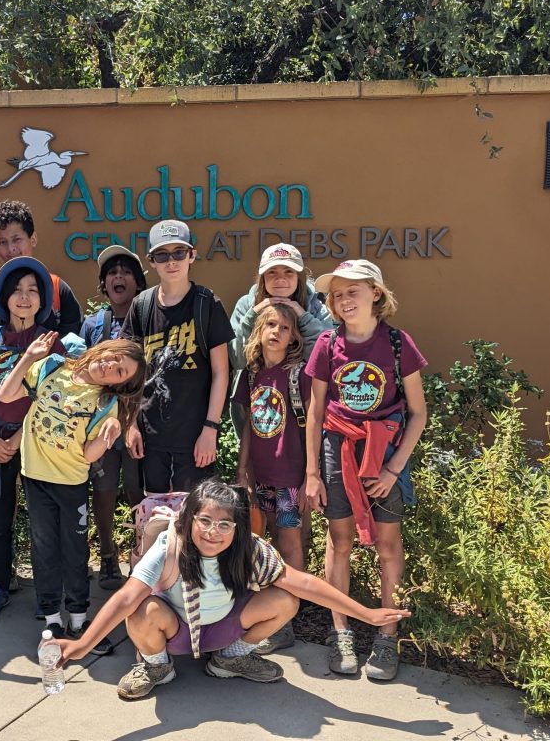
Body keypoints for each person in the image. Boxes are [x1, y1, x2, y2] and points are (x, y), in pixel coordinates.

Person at [55, 479, 411, 700]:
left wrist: (365, 614)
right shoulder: (170, 545)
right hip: (175, 632)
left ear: (236, 527)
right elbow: (125, 597)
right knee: (141, 609)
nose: (214, 532)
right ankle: (156, 666)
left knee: (286, 598)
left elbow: (302, 582)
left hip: (224, 627)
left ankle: (231, 658)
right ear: (189, 518)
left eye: (224, 524)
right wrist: (82, 645)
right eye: (205, 521)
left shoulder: (247, 547)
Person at [305, 259, 428, 681]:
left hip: (384, 455)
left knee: (388, 546)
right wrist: (311, 474)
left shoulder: (397, 344)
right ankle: (340, 634)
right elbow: (316, 410)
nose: (343, 300)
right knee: (339, 542)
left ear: (375, 293)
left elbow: (418, 414)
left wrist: (394, 469)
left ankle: (386, 635)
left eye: (351, 291)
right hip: (336, 452)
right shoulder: (326, 344)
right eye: (336, 294)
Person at [0, 332, 146, 651]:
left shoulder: (106, 401)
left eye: (120, 371)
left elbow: (88, 455)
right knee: (44, 548)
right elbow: (6, 396)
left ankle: (79, 620)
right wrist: (28, 358)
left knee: (76, 551)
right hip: (36, 477)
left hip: (72, 483)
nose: (111, 366)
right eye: (115, 357)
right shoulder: (51, 366)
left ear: (120, 385)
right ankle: (51, 620)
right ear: (106, 348)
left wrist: (110, 433)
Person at [0, 256, 67, 620]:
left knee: (45, 521)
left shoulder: (52, 344)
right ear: (4, 298)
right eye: (16, 291)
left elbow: (55, 400)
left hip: (38, 447)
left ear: (42, 299)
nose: (24, 298)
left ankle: (49, 593)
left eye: (32, 291)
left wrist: (21, 436)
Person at [121, 220, 234, 493]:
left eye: (178, 253)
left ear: (191, 255)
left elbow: (221, 371)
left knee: (192, 518)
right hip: (150, 439)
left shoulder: (207, 304)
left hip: (195, 437)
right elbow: (128, 372)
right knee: (153, 519)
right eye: (162, 255)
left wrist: (211, 429)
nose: (171, 262)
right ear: (152, 261)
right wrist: (131, 423)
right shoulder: (142, 306)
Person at [234, 303, 311, 654]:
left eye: (284, 327)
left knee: (290, 543)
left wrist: (313, 475)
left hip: (290, 478)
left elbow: (314, 424)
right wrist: (242, 469)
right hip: (260, 476)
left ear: (294, 335)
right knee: (257, 542)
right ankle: (261, 609)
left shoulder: (299, 374)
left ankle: (287, 620)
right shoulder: (250, 375)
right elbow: (249, 423)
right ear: (258, 331)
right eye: (270, 324)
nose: (276, 331)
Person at [79, 245, 148, 589]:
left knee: (139, 492)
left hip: (139, 426)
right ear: (104, 284)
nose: (118, 277)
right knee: (103, 491)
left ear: (138, 282)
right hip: (100, 427)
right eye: (112, 273)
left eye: (126, 272)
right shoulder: (94, 324)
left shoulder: (150, 316)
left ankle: (141, 557)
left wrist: (131, 420)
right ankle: (107, 556)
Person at [228, 243, 333, 433]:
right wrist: (253, 315)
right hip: (259, 408)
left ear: (299, 277)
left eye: (288, 272)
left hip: (305, 409)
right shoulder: (246, 305)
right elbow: (237, 360)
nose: (280, 279)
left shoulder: (317, 308)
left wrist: (303, 316)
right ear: (262, 277)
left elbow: (323, 362)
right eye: (272, 272)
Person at [0, 200, 82, 336]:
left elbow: (72, 348)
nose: (11, 248)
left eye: (17, 239)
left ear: (33, 239)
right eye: (2, 242)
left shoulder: (58, 289)